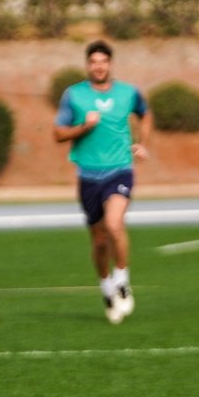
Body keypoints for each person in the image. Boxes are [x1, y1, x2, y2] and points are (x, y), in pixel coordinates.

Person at [53, 40, 150, 325]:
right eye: (93, 62)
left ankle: (122, 280)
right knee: (98, 241)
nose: (98, 66)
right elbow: (58, 134)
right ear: (88, 65)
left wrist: (142, 142)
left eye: (103, 61)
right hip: (88, 176)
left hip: (120, 170)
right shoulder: (74, 95)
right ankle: (107, 288)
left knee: (114, 225)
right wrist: (84, 126)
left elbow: (145, 114)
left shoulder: (128, 93)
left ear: (110, 64)